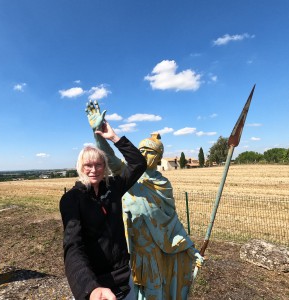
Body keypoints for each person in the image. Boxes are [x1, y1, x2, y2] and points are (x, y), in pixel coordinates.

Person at [87, 101, 203, 300]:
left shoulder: (163, 184)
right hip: (130, 245)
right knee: (133, 289)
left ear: (159, 158)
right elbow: (109, 157)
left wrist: (190, 248)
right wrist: (98, 132)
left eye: (150, 152)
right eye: (142, 151)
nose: (144, 155)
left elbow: (170, 219)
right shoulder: (128, 174)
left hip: (155, 249)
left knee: (155, 288)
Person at [59, 105, 147, 300]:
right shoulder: (71, 199)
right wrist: (90, 288)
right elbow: (73, 246)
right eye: (88, 165)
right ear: (80, 168)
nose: (93, 169)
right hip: (95, 284)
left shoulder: (113, 187)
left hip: (123, 278)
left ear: (104, 167)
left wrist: (115, 138)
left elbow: (138, 164)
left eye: (98, 164)